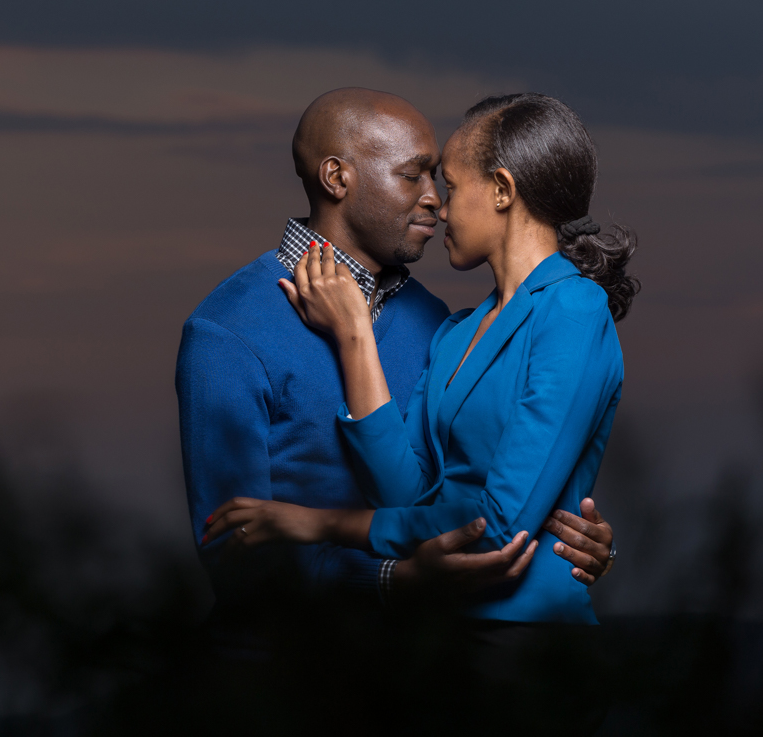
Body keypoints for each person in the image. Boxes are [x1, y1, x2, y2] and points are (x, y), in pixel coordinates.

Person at [206, 93, 636, 732]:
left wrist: (315, 524)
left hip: (524, 647)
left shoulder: (572, 311)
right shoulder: (455, 331)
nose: (438, 200)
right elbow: (405, 490)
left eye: (450, 182)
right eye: (423, 177)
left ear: (501, 191)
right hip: (434, 645)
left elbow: (496, 528)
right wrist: (354, 334)